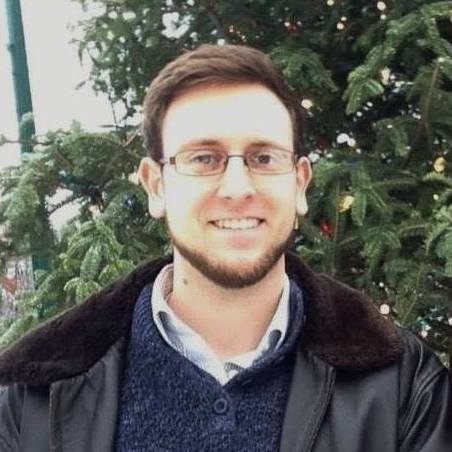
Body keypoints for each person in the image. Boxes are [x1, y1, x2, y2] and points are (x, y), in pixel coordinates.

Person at [0, 44, 450, 452]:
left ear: (300, 183)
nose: (238, 188)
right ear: (156, 186)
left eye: (263, 157)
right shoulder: (34, 399)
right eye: (204, 158)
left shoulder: (406, 389)